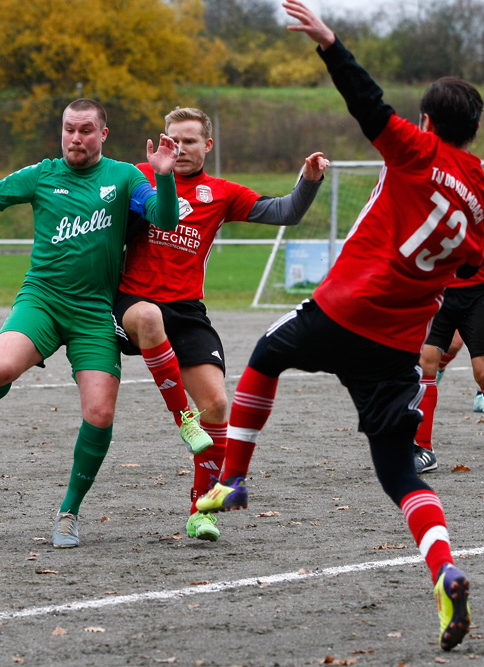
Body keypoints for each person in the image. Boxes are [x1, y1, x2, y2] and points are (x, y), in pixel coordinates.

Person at [197, 1, 484, 651]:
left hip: (347, 309)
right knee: (402, 476)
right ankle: (444, 569)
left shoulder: (418, 150)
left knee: (265, 354)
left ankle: (234, 475)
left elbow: (367, 105)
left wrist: (331, 44)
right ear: (476, 131)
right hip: (397, 345)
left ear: (428, 122)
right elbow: (474, 262)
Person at [0, 98, 181, 549]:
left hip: (93, 312)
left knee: (99, 414)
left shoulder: (124, 177)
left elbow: (164, 219)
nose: (75, 138)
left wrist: (163, 174)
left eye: (85, 130)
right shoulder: (42, 175)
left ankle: (69, 510)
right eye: (68, 129)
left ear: (103, 134)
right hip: (41, 300)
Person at [114, 106, 328, 542]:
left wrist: (309, 181)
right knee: (149, 318)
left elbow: (285, 212)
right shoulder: (138, 176)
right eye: (174, 141)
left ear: (207, 146)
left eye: (190, 141)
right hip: (134, 303)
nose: (181, 149)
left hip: (188, 310)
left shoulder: (222, 193)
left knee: (217, 405)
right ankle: (182, 420)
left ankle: (202, 510)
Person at [413, 217, 484, 474]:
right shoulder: (429, 191)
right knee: (426, 362)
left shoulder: (483, 193)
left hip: (480, 294)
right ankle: (424, 449)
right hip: (439, 290)